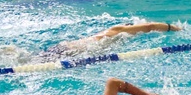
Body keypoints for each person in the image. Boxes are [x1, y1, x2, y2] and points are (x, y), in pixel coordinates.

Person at [44, 22, 181, 58]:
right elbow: (149, 26)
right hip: (69, 50)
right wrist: (173, 28)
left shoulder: (116, 35)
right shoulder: (119, 30)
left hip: (69, 49)